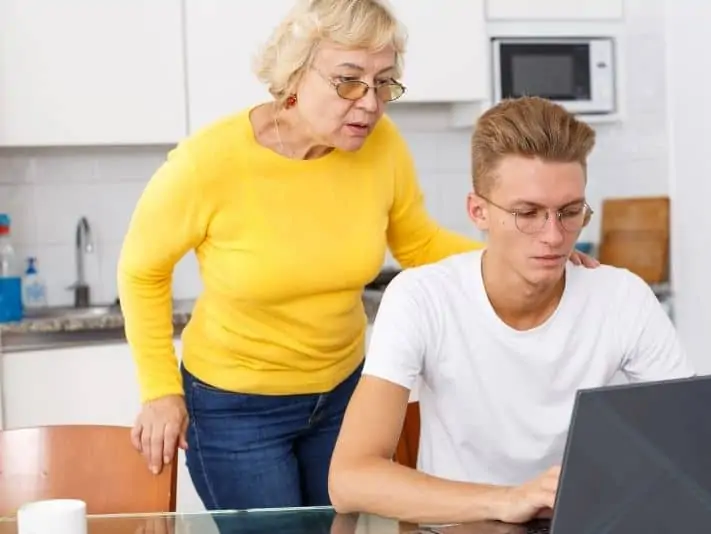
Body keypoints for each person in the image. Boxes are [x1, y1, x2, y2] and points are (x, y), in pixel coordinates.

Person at [118, 0, 598, 512]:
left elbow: (418, 244)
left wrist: (525, 253)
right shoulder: (207, 163)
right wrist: (160, 390)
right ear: (296, 74)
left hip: (343, 394)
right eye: (348, 81)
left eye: (384, 83)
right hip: (237, 406)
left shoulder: (382, 147)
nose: (370, 104)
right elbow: (142, 270)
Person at [327, 96, 696, 525]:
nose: (554, 236)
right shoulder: (421, 298)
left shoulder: (623, 297)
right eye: (528, 213)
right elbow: (349, 480)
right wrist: (507, 500)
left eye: (570, 212)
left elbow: (690, 446)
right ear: (478, 211)